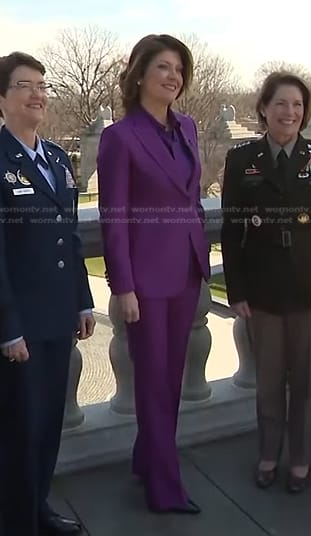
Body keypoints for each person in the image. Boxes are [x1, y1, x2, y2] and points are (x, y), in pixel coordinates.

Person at [97, 34, 210, 513]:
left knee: (173, 378)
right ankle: (165, 488)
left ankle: (147, 459)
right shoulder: (119, 137)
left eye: (179, 69)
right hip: (144, 279)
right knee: (154, 382)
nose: (173, 77)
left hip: (186, 268)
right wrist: (122, 285)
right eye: (163, 67)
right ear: (139, 73)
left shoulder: (186, 126)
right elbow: (113, 214)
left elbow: (190, 195)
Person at [0, 52, 95, 536]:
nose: (38, 93)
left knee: (49, 427)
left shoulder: (57, 158)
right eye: (24, 85)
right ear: (2, 99)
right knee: (19, 431)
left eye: (42, 85)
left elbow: (71, 235)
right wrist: (8, 327)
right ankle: (18, 521)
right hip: (20, 328)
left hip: (59, 317)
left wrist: (82, 298)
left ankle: (38, 509)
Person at [221, 71, 311, 493]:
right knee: (267, 382)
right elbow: (231, 230)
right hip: (262, 290)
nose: (290, 112)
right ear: (264, 109)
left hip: (310, 288)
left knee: (305, 383)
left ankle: (300, 459)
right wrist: (238, 291)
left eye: (298, 105)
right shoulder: (241, 159)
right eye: (281, 104)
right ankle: (268, 454)